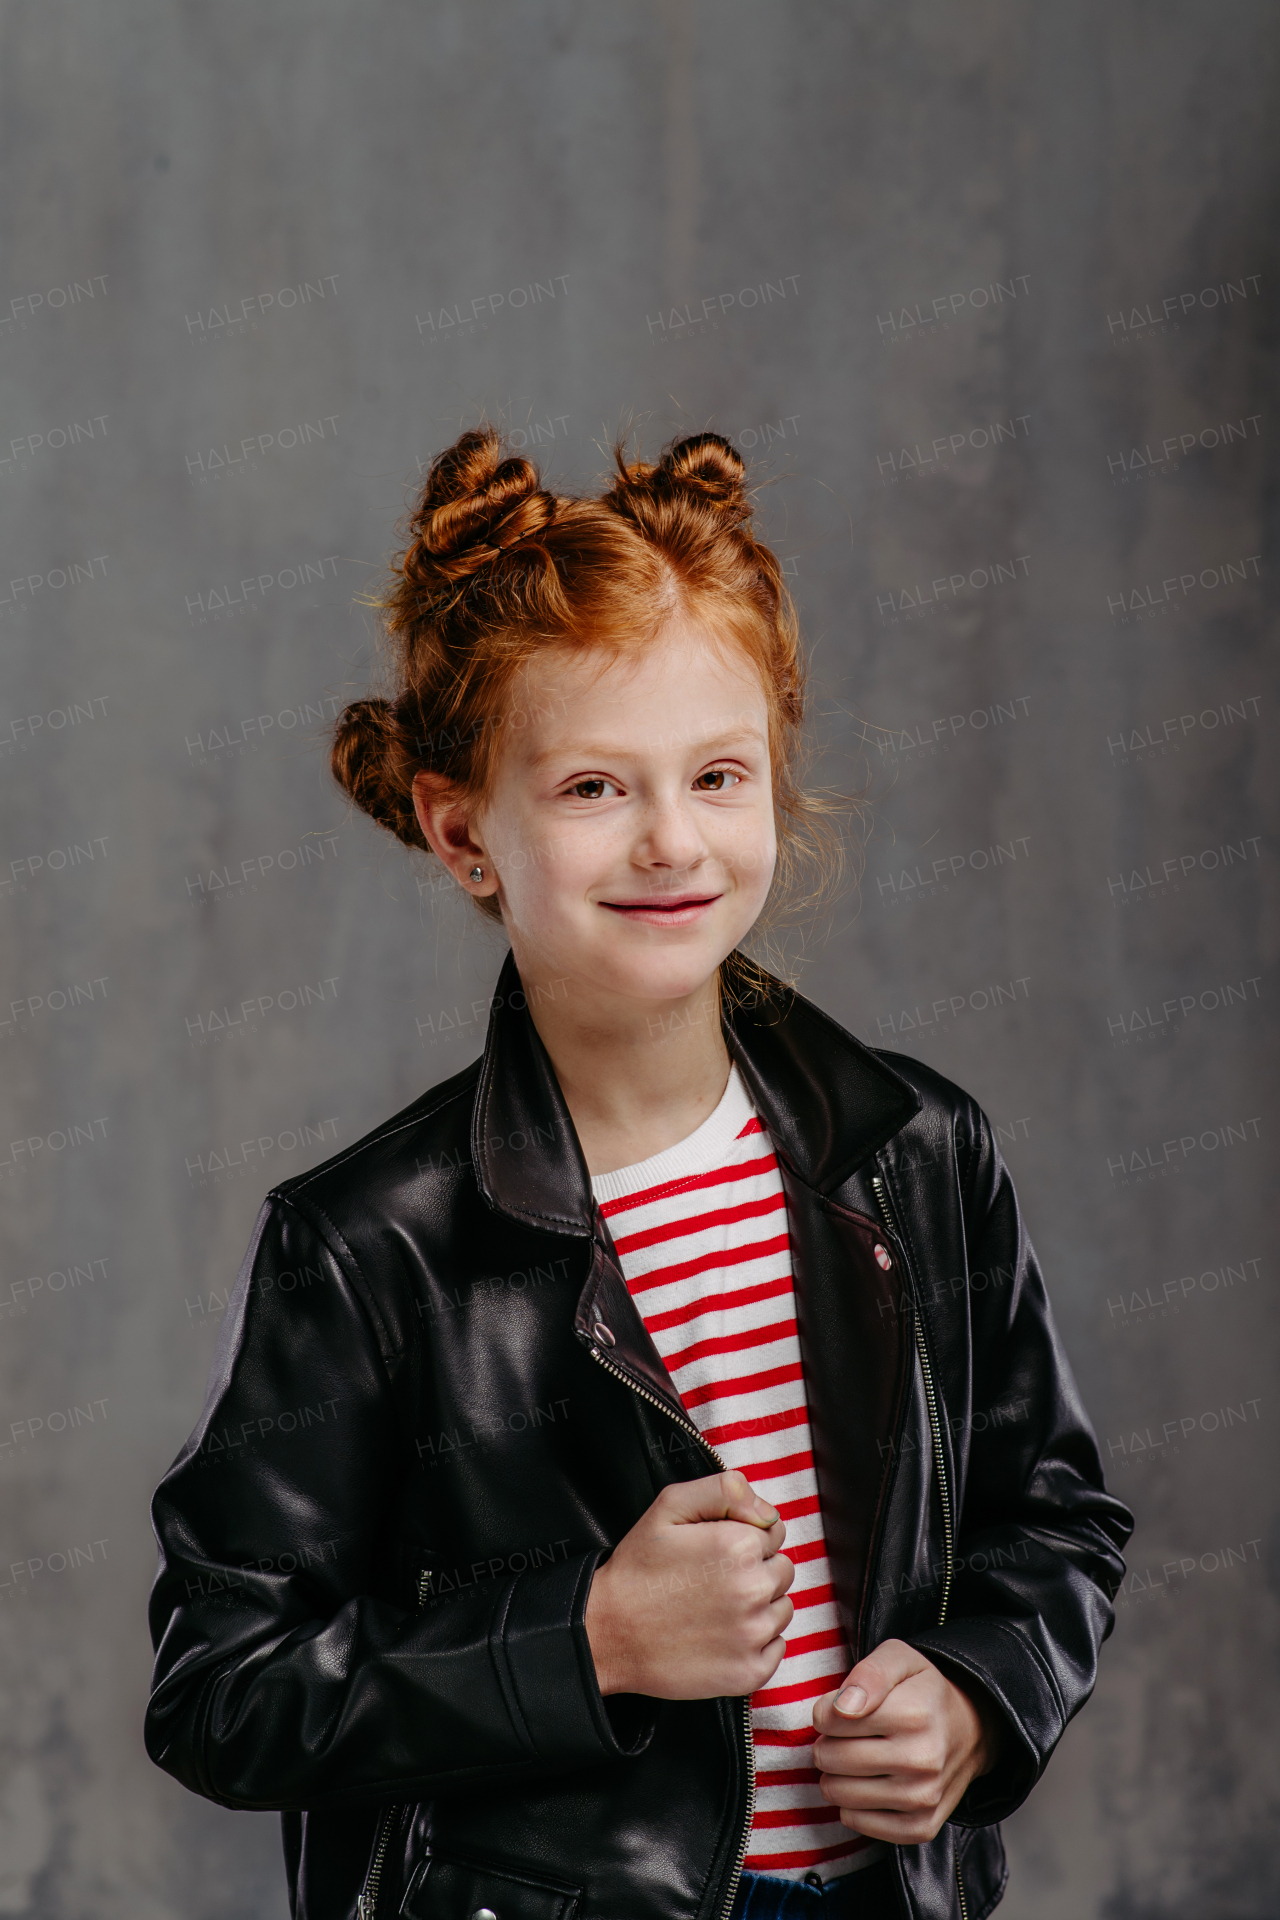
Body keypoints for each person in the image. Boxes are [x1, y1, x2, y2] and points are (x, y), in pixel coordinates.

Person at [145, 427, 1133, 1920]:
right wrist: (587, 1639)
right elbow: (224, 1688)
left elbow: (1053, 1518)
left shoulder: (919, 1155)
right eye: (597, 788)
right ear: (462, 827)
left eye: (718, 775)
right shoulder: (368, 1246)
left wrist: (981, 1696)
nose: (673, 840)